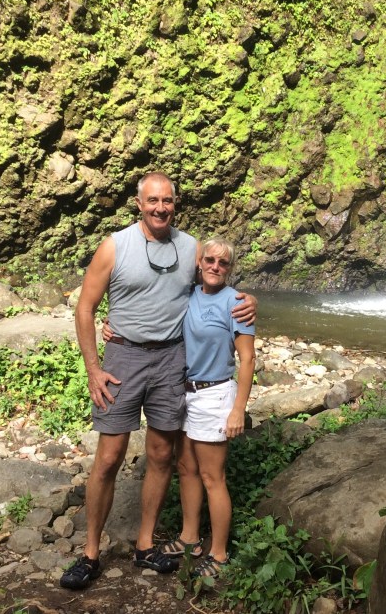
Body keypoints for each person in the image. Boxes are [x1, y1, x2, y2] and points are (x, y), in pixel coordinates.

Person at [60, 172, 256, 591]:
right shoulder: (115, 246)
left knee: (162, 453)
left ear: (176, 203)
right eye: (152, 200)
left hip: (172, 359)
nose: (160, 207)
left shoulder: (191, 248)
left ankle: (145, 543)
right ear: (139, 203)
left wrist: (249, 301)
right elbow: (85, 307)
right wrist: (93, 367)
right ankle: (90, 552)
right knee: (109, 456)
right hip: (124, 357)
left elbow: (219, 278)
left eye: (167, 200)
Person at [158, 238, 256, 579]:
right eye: (210, 260)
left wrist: (238, 410)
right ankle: (189, 538)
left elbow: (247, 359)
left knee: (212, 477)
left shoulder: (237, 304)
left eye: (223, 263)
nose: (216, 267)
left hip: (215, 395)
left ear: (230, 269)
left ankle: (219, 553)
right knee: (185, 467)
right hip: (184, 393)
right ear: (199, 262)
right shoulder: (189, 294)